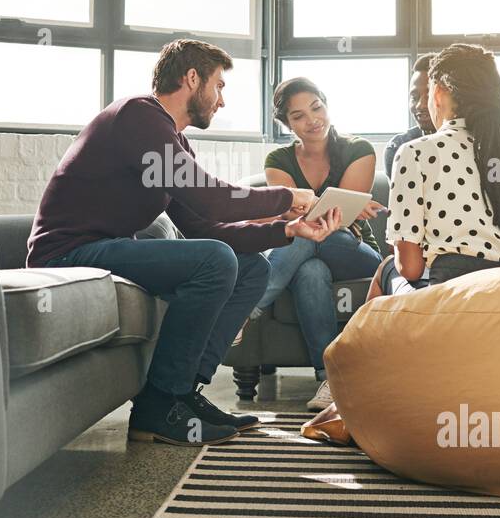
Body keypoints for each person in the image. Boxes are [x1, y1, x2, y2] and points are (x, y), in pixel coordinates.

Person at [27, 39, 343, 447]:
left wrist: (287, 231)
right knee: (214, 261)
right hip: (68, 255)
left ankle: (184, 396)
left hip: (103, 251)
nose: (222, 101)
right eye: (220, 86)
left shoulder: (170, 140)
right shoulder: (137, 116)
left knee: (253, 268)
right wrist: (287, 198)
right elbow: (208, 197)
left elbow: (204, 226)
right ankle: (157, 406)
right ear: (192, 78)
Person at [305, 42, 500, 436]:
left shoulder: (416, 153)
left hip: (453, 298)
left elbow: (411, 266)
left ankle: (346, 396)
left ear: (439, 93)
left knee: (386, 271)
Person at [250, 78, 384, 412]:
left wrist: (307, 209)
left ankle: (245, 306)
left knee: (308, 235)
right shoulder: (279, 160)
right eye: (298, 116)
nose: (312, 120)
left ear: (326, 104)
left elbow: (342, 219)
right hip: (307, 247)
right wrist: (312, 212)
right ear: (287, 124)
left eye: (316, 107)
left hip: (353, 250)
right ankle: (329, 380)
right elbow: (287, 214)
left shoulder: (359, 149)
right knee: (309, 268)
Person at [383, 53, 437, 178]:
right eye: (414, 97)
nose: (420, 105)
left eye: (429, 96)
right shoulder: (397, 147)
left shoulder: (472, 142)